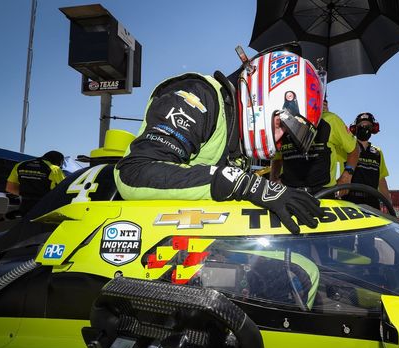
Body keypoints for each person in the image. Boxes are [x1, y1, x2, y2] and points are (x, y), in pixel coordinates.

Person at [114, 49, 324, 235]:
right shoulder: (198, 96)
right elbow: (134, 173)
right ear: (264, 98)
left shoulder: (238, 135)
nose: (279, 142)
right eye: (282, 126)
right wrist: (244, 184)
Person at [269, 97, 359, 196]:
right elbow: (277, 157)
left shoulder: (330, 120)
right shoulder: (281, 121)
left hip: (323, 193)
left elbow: (354, 149)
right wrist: (273, 179)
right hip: (289, 192)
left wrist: (346, 176)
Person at [342, 112, 391, 210]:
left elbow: (382, 182)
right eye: (361, 125)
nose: (364, 128)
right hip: (350, 201)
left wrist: (390, 207)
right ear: (355, 128)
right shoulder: (346, 148)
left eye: (368, 125)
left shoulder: (377, 152)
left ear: (373, 128)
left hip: (373, 202)